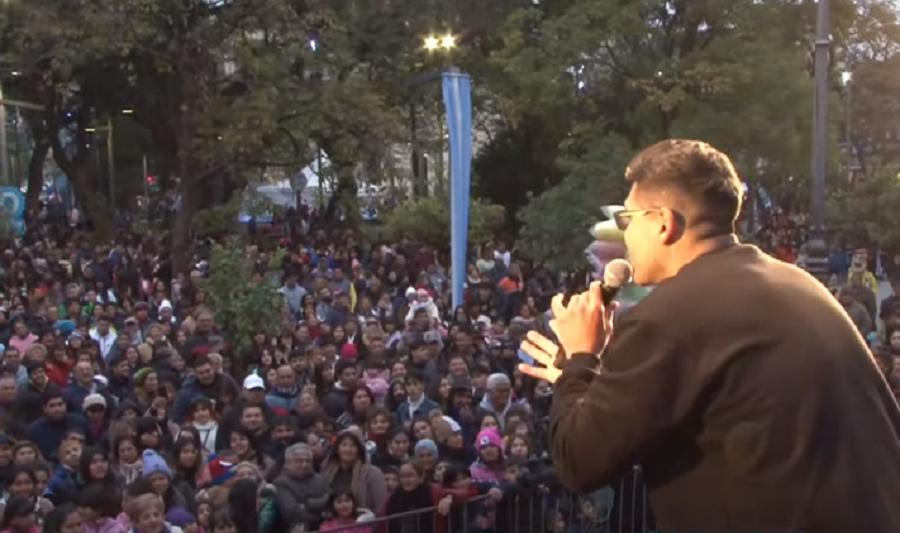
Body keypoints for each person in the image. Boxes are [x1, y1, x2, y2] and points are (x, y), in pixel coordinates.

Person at [518, 139, 900, 532]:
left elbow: (578, 462)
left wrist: (582, 357)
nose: (624, 237)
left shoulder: (667, 316)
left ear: (663, 222)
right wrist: (576, 380)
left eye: (627, 220)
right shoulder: (797, 283)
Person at [272, 443, 329, 531]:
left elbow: (331, 501)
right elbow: (291, 513)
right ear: (288, 463)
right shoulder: (281, 482)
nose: (304, 465)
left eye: (308, 461)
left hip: (325, 527)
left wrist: (307, 504)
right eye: (299, 461)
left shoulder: (320, 479)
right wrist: (320, 512)